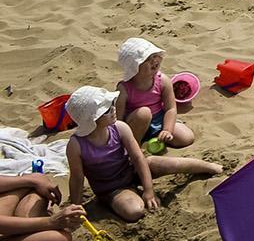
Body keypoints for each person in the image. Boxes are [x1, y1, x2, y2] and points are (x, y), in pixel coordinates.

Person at [63, 85, 218, 224]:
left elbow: (138, 158)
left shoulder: (119, 127)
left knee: (164, 163)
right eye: (106, 110)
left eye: (112, 105)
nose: (113, 109)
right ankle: (120, 199)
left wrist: (148, 190)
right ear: (92, 119)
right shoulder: (76, 145)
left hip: (131, 171)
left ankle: (209, 166)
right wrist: (77, 208)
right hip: (111, 190)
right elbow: (77, 178)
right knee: (134, 211)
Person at [114, 37, 196, 150]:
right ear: (134, 67)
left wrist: (167, 130)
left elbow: (170, 108)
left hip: (159, 120)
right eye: (147, 59)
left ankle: (156, 139)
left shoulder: (162, 81)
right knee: (144, 113)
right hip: (136, 124)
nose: (154, 60)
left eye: (154, 55)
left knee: (186, 138)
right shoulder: (124, 89)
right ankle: (134, 147)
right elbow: (118, 120)